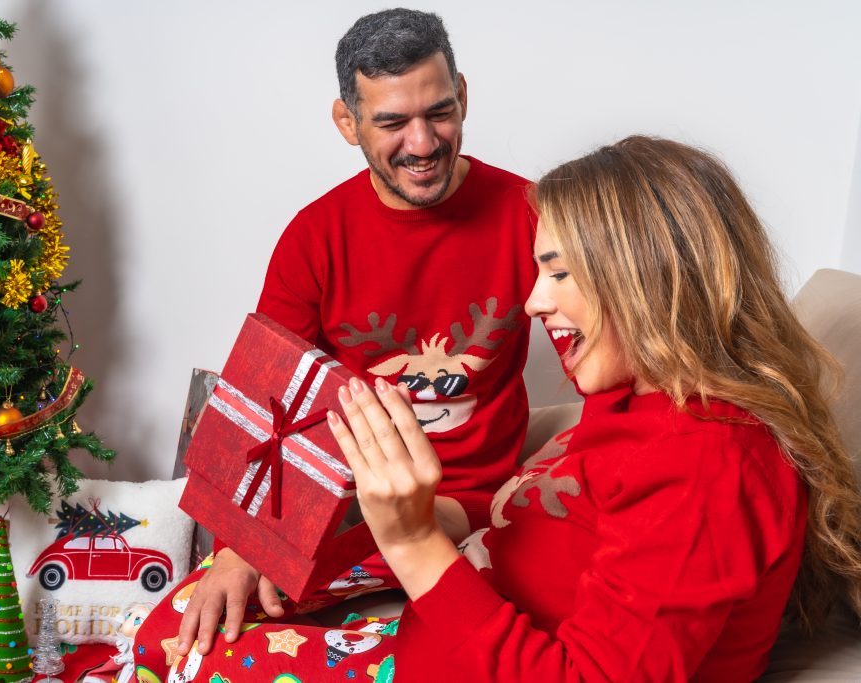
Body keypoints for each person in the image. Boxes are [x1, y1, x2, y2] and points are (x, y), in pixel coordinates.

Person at [133, 135, 861, 682]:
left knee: (170, 648)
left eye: (560, 272)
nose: (533, 301)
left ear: (648, 277)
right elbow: (548, 521)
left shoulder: (709, 460)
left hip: (455, 645)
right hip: (455, 597)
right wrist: (338, 537)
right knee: (194, 605)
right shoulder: (630, 398)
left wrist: (414, 540)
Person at [132, 8, 538, 675]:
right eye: (391, 122)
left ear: (463, 95)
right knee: (172, 646)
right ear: (347, 122)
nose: (423, 142)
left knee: (480, 651)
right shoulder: (314, 237)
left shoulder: (530, 213)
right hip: (346, 512)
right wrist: (241, 545)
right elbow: (261, 413)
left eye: (439, 112)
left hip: (475, 508)